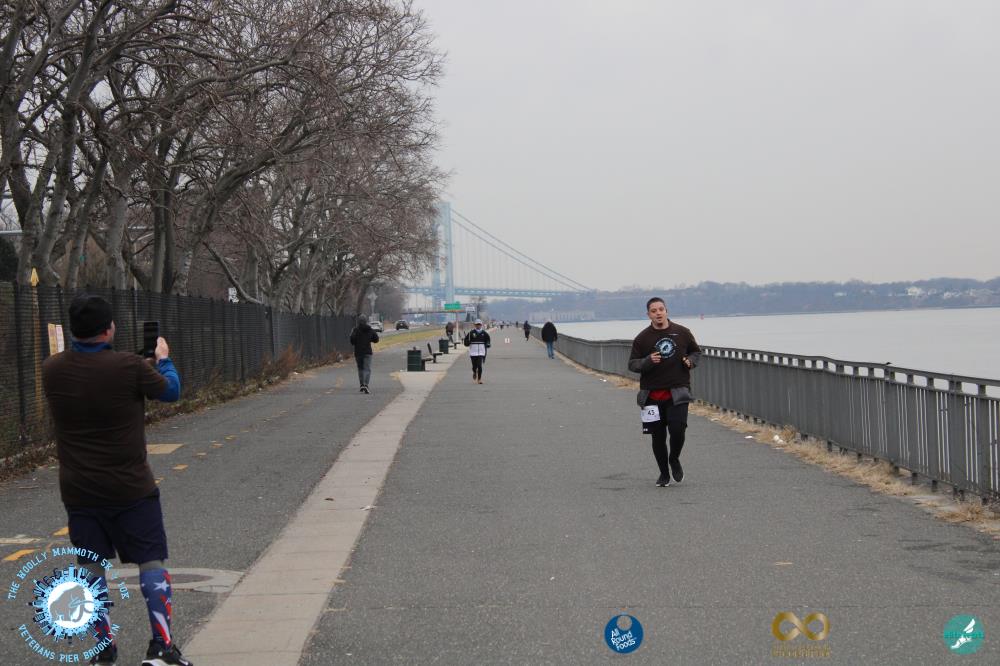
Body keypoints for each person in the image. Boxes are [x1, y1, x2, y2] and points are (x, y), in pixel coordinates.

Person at [41, 294, 191, 666]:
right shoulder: (130, 367)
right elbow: (170, 391)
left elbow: (93, 378)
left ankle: (102, 649)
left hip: (80, 490)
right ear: (109, 329)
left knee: (91, 568)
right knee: (150, 562)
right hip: (131, 488)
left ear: (73, 330)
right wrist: (163, 359)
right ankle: (161, 647)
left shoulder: (52, 370)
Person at [628, 297, 701, 487]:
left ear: (666, 311)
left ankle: (674, 458)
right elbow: (632, 364)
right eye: (654, 311)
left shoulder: (682, 332)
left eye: (661, 309)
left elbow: (696, 352)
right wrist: (647, 361)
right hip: (651, 395)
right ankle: (663, 473)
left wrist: (691, 361)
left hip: (677, 392)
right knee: (658, 437)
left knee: (678, 430)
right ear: (648, 315)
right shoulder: (642, 338)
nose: (658, 313)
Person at [349, 314, 380, 394]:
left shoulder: (355, 330)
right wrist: (370, 339)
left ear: (358, 321)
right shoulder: (370, 329)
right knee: (367, 369)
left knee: (360, 369)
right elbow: (376, 339)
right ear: (366, 321)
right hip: (367, 352)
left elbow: (352, 341)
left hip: (358, 352)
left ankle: (362, 385)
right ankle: (366, 385)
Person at [463, 318, 491, 384]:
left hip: (481, 352)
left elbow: (488, 340)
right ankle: (474, 372)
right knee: (474, 366)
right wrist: (467, 342)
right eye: (477, 324)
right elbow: (465, 342)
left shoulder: (484, 333)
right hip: (473, 352)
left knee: (479, 365)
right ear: (475, 325)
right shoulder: (471, 333)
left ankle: (479, 379)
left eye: (479, 324)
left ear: (481, 325)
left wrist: (488, 344)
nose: (478, 325)